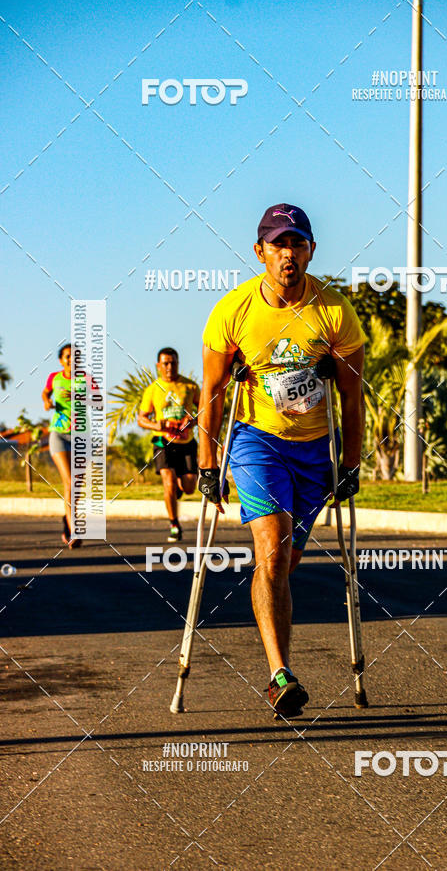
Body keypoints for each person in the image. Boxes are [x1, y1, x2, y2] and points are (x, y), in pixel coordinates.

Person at [199, 203, 366, 718]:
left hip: (315, 449)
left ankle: (278, 651)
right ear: (260, 252)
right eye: (277, 244)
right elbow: (210, 393)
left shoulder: (335, 312)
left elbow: (352, 397)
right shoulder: (234, 310)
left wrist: (351, 463)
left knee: (287, 560)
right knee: (272, 549)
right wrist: (208, 464)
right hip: (257, 441)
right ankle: (280, 675)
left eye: (297, 243)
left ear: (312, 249)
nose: (287, 254)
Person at [137, 348, 200, 542]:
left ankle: (178, 489)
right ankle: (174, 524)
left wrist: (193, 420)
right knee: (168, 480)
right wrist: (159, 424)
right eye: (165, 363)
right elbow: (141, 419)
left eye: (173, 362)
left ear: (178, 363)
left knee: (189, 486)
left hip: (186, 440)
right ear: (159, 366)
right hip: (160, 440)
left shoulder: (190, 386)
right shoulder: (153, 389)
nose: (169, 367)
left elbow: (203, 410)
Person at [42, 343, 81, 548]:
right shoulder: (54, 378)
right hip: (58, 433)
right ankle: (74, 528)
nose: (71, 360)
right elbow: (45, 393)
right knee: (70, 481)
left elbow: (98, 401)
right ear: (61, 360)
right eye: (67, 356)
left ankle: (67, 521)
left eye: (75, 356)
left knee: (78, 485)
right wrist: (47, 402)